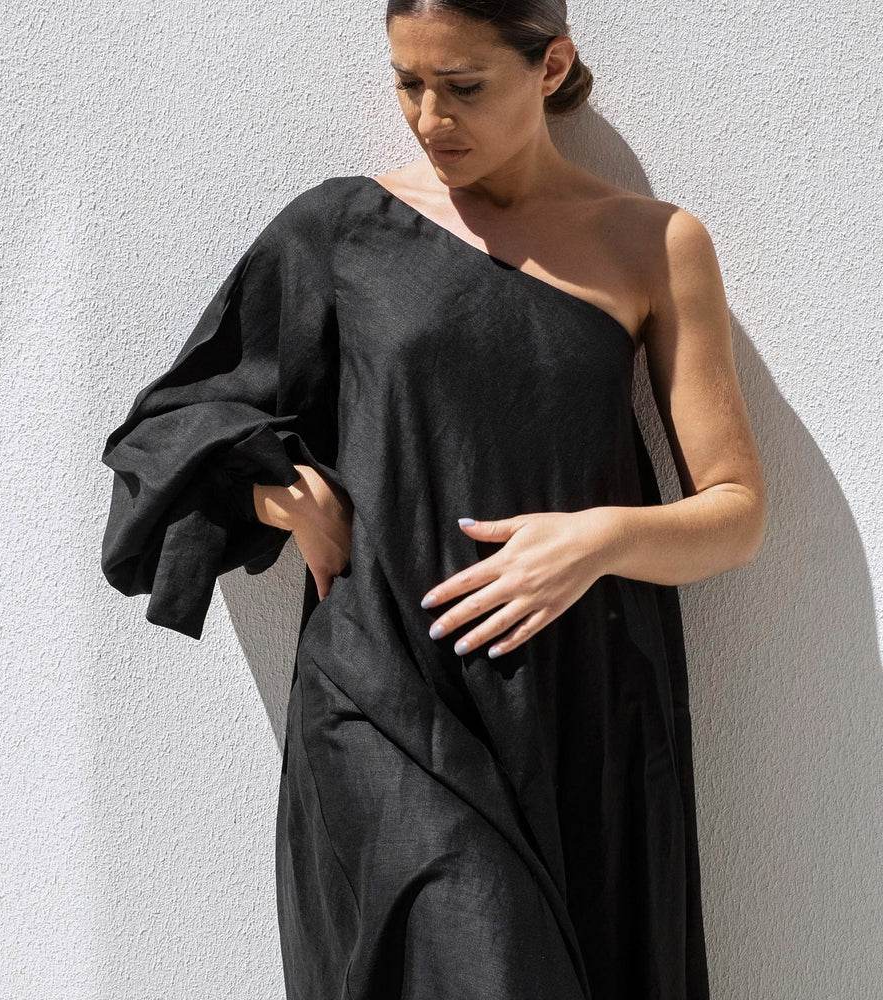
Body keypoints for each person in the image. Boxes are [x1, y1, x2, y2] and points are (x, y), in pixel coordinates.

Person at [100, 0, 766, 997]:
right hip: (379, 693)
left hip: (572, 708)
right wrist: (280, 492)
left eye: (462, 87)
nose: (427, 117)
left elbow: (734, 508)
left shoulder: (653, 244)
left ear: (550, 67)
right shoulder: (337, 230)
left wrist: (594, 540)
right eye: (407, 83)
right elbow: (166, 427)